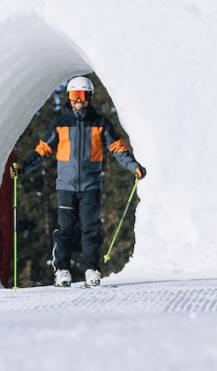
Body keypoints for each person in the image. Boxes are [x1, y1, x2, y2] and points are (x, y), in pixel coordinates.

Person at [13, 76, 144, 288]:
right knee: (64, 229)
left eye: (83, 96)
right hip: (66, 186)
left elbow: (117, 148)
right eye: (75, 96)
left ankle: (91, 268)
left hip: (91, 186)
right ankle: (62, 270)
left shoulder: (100, 123)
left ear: (90, 98)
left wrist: (133, 166)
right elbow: (43, 150)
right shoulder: (60, 122)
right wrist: (23, 167)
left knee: (91, 228)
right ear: (69, 97)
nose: (79, 101)